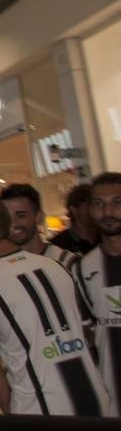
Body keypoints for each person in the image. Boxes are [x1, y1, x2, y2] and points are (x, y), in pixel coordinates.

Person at [0, 198, 107, 415]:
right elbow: (88, 334)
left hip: (41, 409)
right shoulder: (58, 266)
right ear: (8, 225)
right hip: (96, 397)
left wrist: (14, 420)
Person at [76, 172, 121, 416]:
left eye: (117, 202)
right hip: (112, 404)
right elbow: (88, 336)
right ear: (90, 211)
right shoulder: (83, 268)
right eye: (99, 204)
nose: (108, 212)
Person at [0, 183, 79, 273]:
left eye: (21, 215)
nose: (13, 223)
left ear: (39, 217)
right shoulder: (0, 267)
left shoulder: (66, 262)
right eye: (6, 217)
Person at [51, 182, 99, 256]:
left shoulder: (105, 239)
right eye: (90, 204)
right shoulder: (58, 246)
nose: (95, 210)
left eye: (97, 204)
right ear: (74, 210)